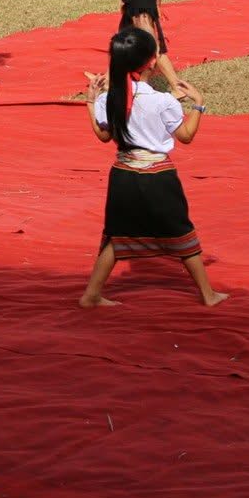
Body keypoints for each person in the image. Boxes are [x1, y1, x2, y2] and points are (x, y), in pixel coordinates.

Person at [78, 27, 223, 308]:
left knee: (116, 235)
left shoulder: (110, 98)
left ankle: (91, 294)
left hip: (123, 174)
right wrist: (199, 105)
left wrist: (89, 101)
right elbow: (186, 136)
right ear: (151, 62)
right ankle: (208, 294)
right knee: (181, 232)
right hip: (158, 176)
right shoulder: (162, 101)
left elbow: (104, 135)